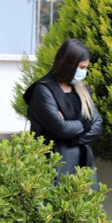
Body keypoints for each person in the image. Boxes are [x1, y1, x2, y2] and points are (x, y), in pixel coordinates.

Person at [23, 38, 102, 190]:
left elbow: (97, 127)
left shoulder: (82, 90)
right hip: (54, 165)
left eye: (86, 68)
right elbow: (60, 128)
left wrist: (70, 131)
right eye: (81, 67)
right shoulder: (43, 90)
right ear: (69, 64)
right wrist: (85, 123)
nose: (84, 72)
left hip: (83, 166)